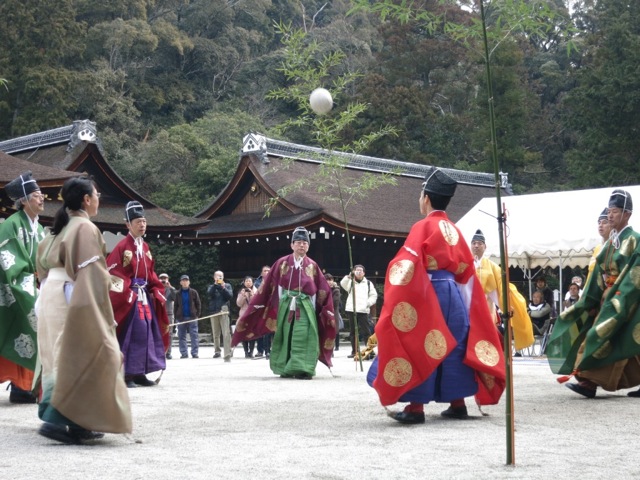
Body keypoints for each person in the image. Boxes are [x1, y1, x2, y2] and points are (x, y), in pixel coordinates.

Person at [367, 168, 505, 424]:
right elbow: (466, 272)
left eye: (421, 195)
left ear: (427, 198)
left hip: (428, 291)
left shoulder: (423, 227)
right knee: (455, 343)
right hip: (454, 292)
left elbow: (407, 266)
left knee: (421, 340)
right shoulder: (455, 230)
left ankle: (415, 407)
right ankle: (458, 403)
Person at [35, 177, 131, 444]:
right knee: (82, 353)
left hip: (49, 294)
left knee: (58, 355)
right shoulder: (84, 228)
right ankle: (59, 419)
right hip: (72, 294)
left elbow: (42, 267)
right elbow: (91, 274)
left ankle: (76, 422)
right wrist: (101, 311)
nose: (99, 197)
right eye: (97, 193)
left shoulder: (57, 230)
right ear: (87, 200)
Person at [548, 189, 640, 399]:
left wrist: (618, 299)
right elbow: (599, 273)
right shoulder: (611, 243)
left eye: (615, 211)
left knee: (602, 335)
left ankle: (588, 380)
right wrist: (588, 301)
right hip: (610, 296)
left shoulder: (635, 240)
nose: (610, 216)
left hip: (628, 297)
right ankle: (586, 379)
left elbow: (635, 275)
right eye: (609, 211)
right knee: (626, 342)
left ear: (627, 214)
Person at [232, 227, 336, 380]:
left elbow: (321, 290)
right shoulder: (281, 263)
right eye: (299, 242)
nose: (302, 245)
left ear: (308, 246)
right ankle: (285, 367)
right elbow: (270, 287)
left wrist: (318, 309)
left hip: (306, 306)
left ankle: (304, 369)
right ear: (292, 245)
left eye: (305, 243)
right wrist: (279, 304)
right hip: (286, 304)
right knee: (285, 335)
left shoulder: (312, 265)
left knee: (305, 335)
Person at [107, 201, 169, 388]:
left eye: (143, 221)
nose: (142, 225)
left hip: (143, 298)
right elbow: (113, 274)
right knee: (133, 334)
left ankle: (141, 372)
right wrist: (128, 293)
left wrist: (156, 288)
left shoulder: (145, 247)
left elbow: (150, 274)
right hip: (130, 297)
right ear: (128, 224)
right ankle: (126, 374)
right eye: (137, 222)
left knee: (147, 333)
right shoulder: (122, 247)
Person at [0, 171, 45, 404]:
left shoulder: (39, 228)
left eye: (41, 195)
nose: (42, 199)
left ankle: (29, 384)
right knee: (33, 323)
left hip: (35, 284)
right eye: (37, 195)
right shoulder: (10, 225)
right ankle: (20, 386)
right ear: (24, 200)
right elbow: (8, 262)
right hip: (12, 286)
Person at [470, 229, 533, 352]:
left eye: (479, 243)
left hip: (486, 309)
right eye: (474, 243)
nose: (476, 246)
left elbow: (503, 288)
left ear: (485, 246)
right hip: (468, 309)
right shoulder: (465, 263)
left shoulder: (492, 267)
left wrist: (508, 306)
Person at [340, 265, 377, 358]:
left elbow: (373, 295)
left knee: (366, 331)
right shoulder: (350, 282)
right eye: (357, 270)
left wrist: (368, 303)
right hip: (352, 309)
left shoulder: (368, 283)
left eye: (361, 271)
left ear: (364, 273)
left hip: (363, 310)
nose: (359, 272)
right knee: (353, 332)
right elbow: (342, 284)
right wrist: (349, 277)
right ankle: (354, 351)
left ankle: (370, 350)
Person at [207, 270, 233, 362]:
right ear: (214, 277)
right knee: (216, 333)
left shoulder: (227, 286)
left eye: (221, 276)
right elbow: (209, 295)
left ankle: (228, 350)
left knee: (226, 333)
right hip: (214, 311)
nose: (219, 278)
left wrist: (223, 288)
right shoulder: (211, 286)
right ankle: (217, 351)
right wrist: (215, 285)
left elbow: (229, 296)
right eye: (217, 276)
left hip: (224, 312)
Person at [173, 275, 201, 359]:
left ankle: (194, 353)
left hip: (192, 317)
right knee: (181, 336)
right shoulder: (178, 293)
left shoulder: (193, 292)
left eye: (186, 280)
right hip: (181, 318)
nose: (185, 282)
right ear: (181, 282)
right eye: (183, 280)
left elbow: (198, 304)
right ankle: (184, 353)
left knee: (194, 336)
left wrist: (197, 315)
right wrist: (176, 317)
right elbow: (175, 306)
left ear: (189, 282)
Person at [236, 276, 257, 358]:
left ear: (252, 282)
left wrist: (252, 295)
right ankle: (245, 351)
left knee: (252, 333)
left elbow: (256, 303)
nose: (248, 282)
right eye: (246, 281)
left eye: (250, 281)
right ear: (244, 282)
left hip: (252, 314)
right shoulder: (241, 291)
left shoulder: (256, 291)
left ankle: (251, 351)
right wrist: (243, 296)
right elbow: (239, 304)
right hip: (243, 314)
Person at [254, 265, 272, 358]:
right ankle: (260, 350)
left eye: (269, 271)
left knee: (269, 330)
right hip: (260, 308)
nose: (267, 272)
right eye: (265, 271)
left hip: (271, 308)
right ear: (261, 273)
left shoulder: (274, 281)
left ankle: (268, 351)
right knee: (260, 330)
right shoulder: (257, 282)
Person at [325, 273, 344, 352]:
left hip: (333, 312)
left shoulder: (336, 290)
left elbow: (334, 303)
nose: (329, 282)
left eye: (330, 280)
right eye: (327, 280)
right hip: (324, 312)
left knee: (334, 331)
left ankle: (333, 348)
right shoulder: (322, 289)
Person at [159, 273, 177, 359]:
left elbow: (176, 298)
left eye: (165, 278)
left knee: (169, 334)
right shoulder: (156, 288)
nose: (163, 280)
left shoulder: (171, 289)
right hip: (158, 313)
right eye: (161, 278)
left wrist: (170, 287)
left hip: (169, 313)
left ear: (168, 279)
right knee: (158, 333)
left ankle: (168, 352)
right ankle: (159, 351)